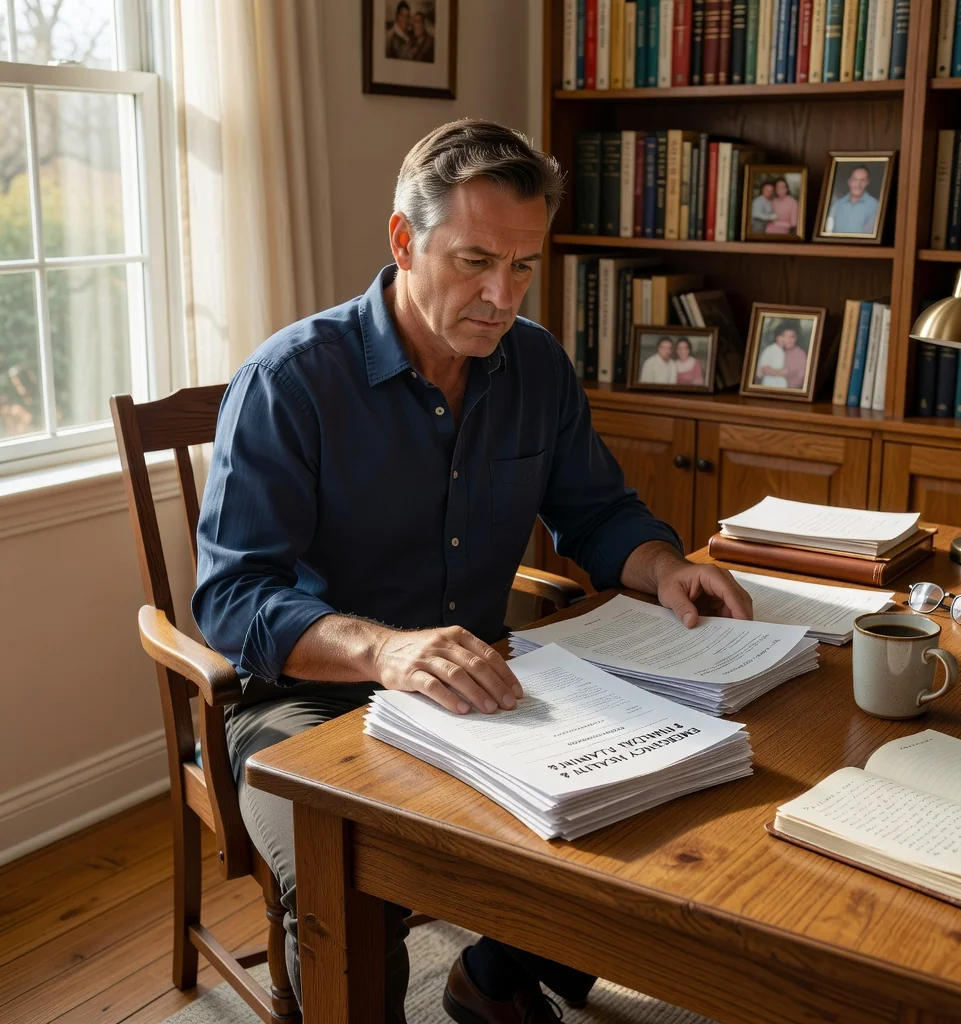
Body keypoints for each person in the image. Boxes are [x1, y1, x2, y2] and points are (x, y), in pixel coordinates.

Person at [192, 119, 753, 1024]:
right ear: (404, 241)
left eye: (523, 267)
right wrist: (386, 652)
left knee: (650, 795)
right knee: (345, 888)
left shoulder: (534, 365)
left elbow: (597, 509)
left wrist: (661, 565)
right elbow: (232, 598)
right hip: (309, 699)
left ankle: (491, 979)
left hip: (488, 681)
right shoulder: (292, 381)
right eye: (475, 261)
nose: (502, 296)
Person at [826, 164, 879, 235]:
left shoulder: (875, 206)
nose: (858, 184)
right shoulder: (837, 205)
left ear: (867, 182)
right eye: (854, 180)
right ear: (849, 182)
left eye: (862, 180)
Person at [756, 320, 806, 389]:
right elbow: (763, 370)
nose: (788, 340)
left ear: (797, 338)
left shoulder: (800, 354)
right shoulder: (776, 350)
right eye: (785, 336)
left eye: (792, 337)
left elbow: (801, 377)